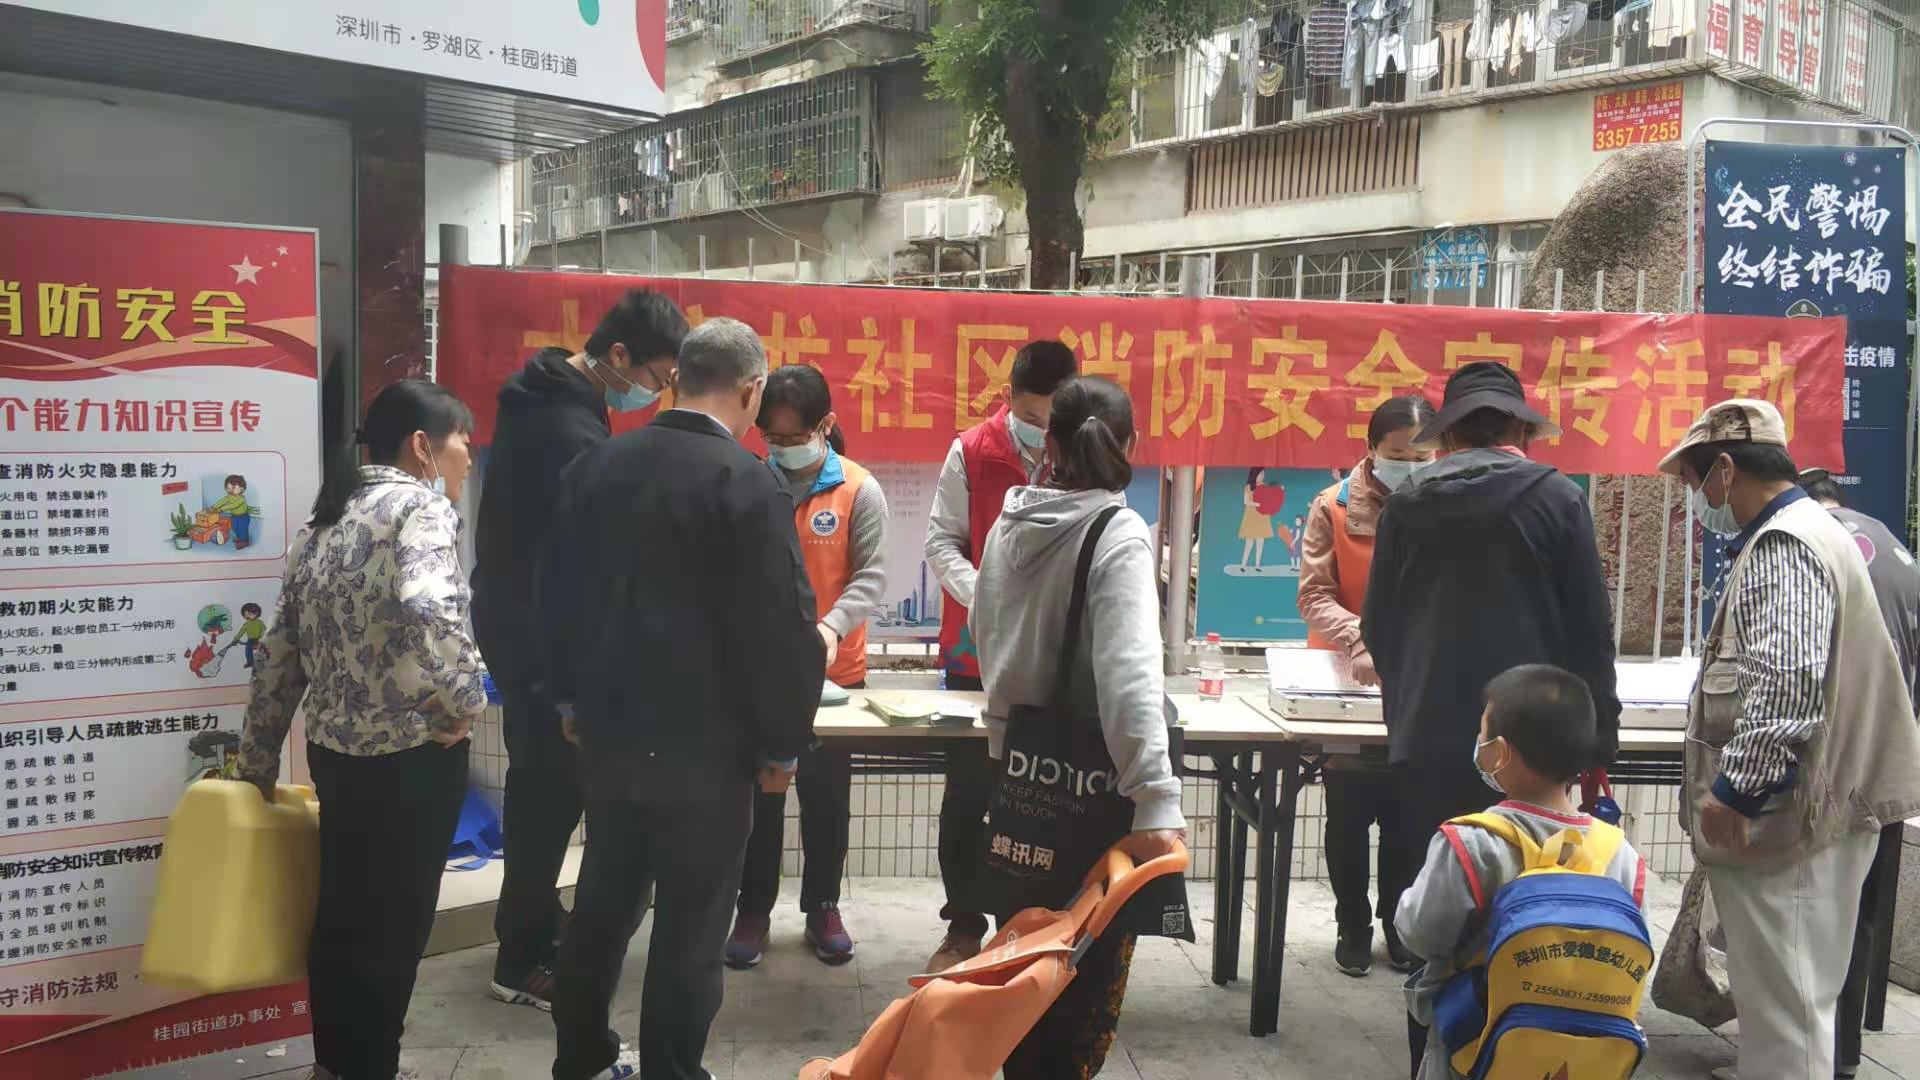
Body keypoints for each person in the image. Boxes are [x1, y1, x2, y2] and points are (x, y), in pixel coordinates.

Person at [538, 318, 824, 1080]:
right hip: (708, 750)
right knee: (692, 929)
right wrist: (782, 742)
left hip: (608, 736)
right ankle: (672, 1069)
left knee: (602, 905)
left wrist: (567, 701)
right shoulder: (747, 481)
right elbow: (782, 627)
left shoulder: (595, 467)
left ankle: (581, 1060)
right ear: (752, 390)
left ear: (675, 380)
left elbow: (554, 597)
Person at [1361, 361, 1620, 1072]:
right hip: (1536, 749)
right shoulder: (1559, 498)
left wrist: (1413, 706)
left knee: (1439, 923)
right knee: (1538, 912)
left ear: (1447, 436)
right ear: (1519, 430)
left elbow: (1379, 626)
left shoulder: (1408, 506)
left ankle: (1435, 1059)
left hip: (1431, 745)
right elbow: (1590, 633)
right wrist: (1598, 742)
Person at [1660, 401, 1920, 1080]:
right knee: (1795, 1007)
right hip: (1818, 812)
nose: (1697, 501)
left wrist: (1735, 792)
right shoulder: (1810, 531)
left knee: (1787, 1016)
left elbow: (1786, 683)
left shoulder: (1785, 545)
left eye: (1693, 482)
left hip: (1795, 824)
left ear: (1724, 469)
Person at [237, 378, 486, 1080]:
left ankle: (335, 1065)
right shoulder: (420, 508)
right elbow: (432, 606)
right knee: (394, 930)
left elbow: (279, 650)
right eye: (462, 440)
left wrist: (256, 759)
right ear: (422, 446)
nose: (468, 456)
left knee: (343, 918)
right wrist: (466, 701)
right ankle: (371, 1067)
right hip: (412, 757)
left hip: (335, 756)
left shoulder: (324, 520)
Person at [472, 288, 686, 1011]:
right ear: (619, 354)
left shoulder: (550, 392)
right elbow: (583, 556)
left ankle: (534, 924)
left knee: (544, 790)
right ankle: (521, 955)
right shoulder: (567, 429)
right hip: (540, 642)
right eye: (657, 378)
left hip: (518, 624)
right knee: (547, 797)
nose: (655, 394)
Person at [969, 375, 1185, 1079]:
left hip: (1018, 783)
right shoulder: (1117, 532)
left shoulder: (1009, 523)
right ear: (1131, 444)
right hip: (1092, 798)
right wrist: (1155, 798)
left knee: (1020, 974)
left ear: (1048, 444)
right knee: (1078, 988)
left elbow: (985, 632)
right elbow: (1129, 675)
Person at [1395, 664, 1647, 1080]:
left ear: (1501, 752)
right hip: (1584, 1055)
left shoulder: (1471, 842)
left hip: (1474, 1044)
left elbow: (1421, 932)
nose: (1479, 745)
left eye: (1483, 735)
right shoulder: (1621, 853)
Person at [921, 338, 1077, 972]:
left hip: (1049, 659)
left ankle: (1026, 930)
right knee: (967, 793)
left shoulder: (1078, 453)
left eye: (1053, 419)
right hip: (975, 655)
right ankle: (963, 925)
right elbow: (941, 543)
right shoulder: (971, 451)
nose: (1043, 431)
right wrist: (988, 596)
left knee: (1039, 797)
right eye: (1032, 417)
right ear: (1009, 398)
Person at [727, 365, 889, 969]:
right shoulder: (749, 482)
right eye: (772, 438)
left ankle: (823, 906)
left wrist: (830, 629)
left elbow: (871, 576)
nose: (782, 449)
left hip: (835, 680)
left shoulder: (858, 489)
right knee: (760, 799)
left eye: (795, 438)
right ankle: (752, 911)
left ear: (826, 425)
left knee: (826, 800)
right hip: (761, 680)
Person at [1296, 393, 1435, 977]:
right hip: (1347, 683)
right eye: (1399, 455)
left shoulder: (1446, 506)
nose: (1412, 466)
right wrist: (1360, 638)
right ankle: (1351, 923)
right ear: (1372, 449)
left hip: (1420, 682)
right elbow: (1313, 594)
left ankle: (1398, 924)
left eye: (1423, 456)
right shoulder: (1332, 507)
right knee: (1350, 811)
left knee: (1408, 815)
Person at [1799, 467, 1920, 1080]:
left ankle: (1807, 1049)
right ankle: (1845, 1054)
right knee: (1863, 905)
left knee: (1813, 905)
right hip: (1892, 753)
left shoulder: (1805, 543)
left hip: (1830, 760)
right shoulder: (1898, 550)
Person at [211, 473, 260, 550]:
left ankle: (245, 541)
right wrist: (214, 506)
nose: (229, 490)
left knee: (242, 529)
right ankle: (239, 538)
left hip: (243, 517)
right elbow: (222, 501)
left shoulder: (242, 498)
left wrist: (221, 509)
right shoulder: (229, 496)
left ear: (242, 489)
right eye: (227, 488)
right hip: (234, 516)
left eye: (233, 488)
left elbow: (233, 505)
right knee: (235, 528)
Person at [237, 602, 267, 669]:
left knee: (259, 651)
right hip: (250, 640)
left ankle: (260, 662)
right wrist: (236, 638)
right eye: (246, 615)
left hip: (258, 639)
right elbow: (241, 631)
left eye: (250, 614)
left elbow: (264, 630)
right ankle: (250, 662)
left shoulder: (259, 622)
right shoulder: (247, 624)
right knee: (248, 651)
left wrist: (261, 637)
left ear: (256, 613)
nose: (248, 617)